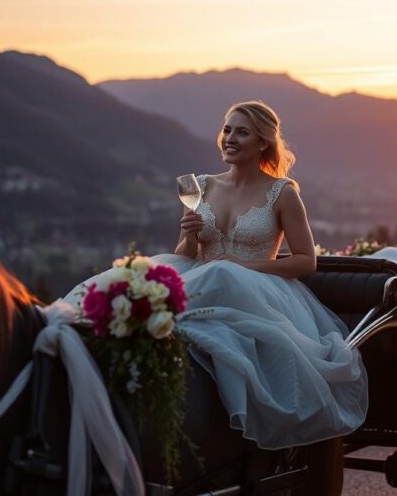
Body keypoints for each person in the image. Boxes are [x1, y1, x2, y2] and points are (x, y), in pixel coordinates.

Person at [151, 100, 368, 452]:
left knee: (221, 276)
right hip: (203, 281)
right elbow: (184, 256)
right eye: (226, 130)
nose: (229, 138)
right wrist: (189, 234)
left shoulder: (282, 193)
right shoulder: (200, 186)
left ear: (263, 142)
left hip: (257, 291)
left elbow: (305, 261)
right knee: (152, 284)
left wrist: (241, 268)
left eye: (241, 132)